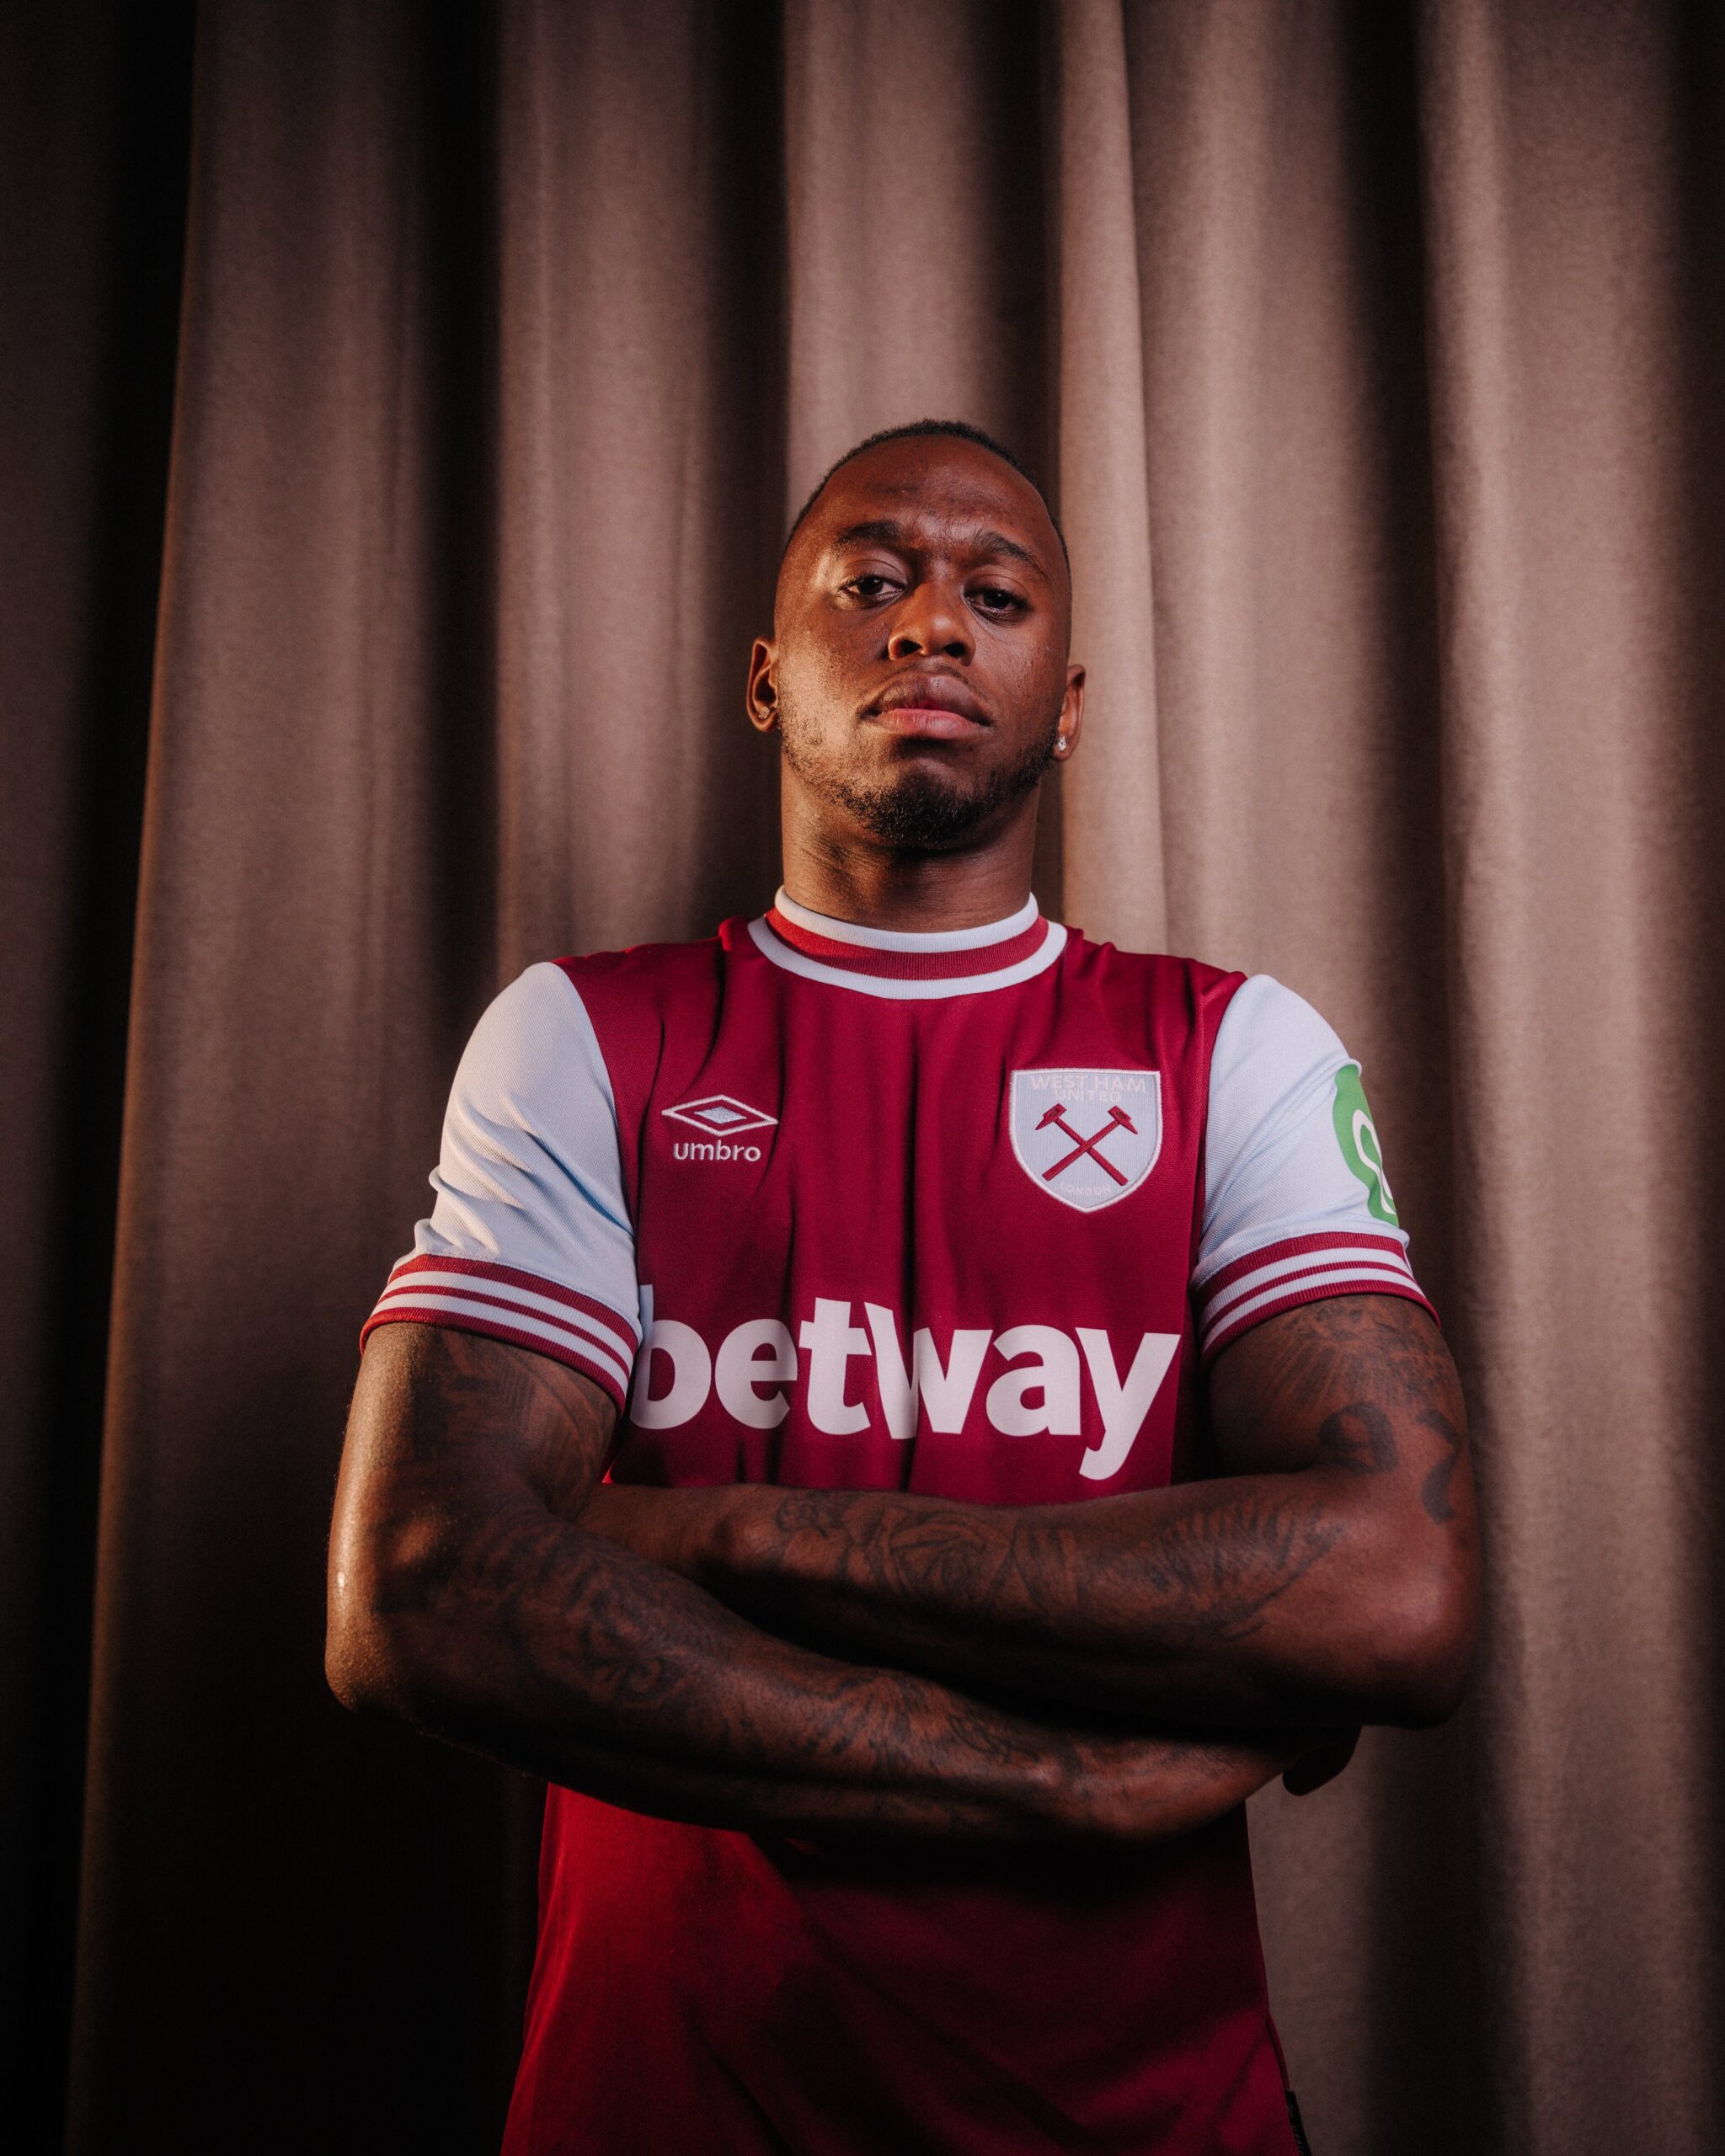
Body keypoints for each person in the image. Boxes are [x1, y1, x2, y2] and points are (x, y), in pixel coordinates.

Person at [326, 419, 1477, 2156]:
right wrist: (1059, 1779)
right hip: (664, 2102)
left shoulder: (1229, 1045)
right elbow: (415, 1592)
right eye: (870, 581)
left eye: (992, 592)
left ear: (1066, 696)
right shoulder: (583, 1032)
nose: (932, 621)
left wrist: (705, 1530)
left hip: (1148, 2112)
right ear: (765, 677)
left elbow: (1397, 1590)